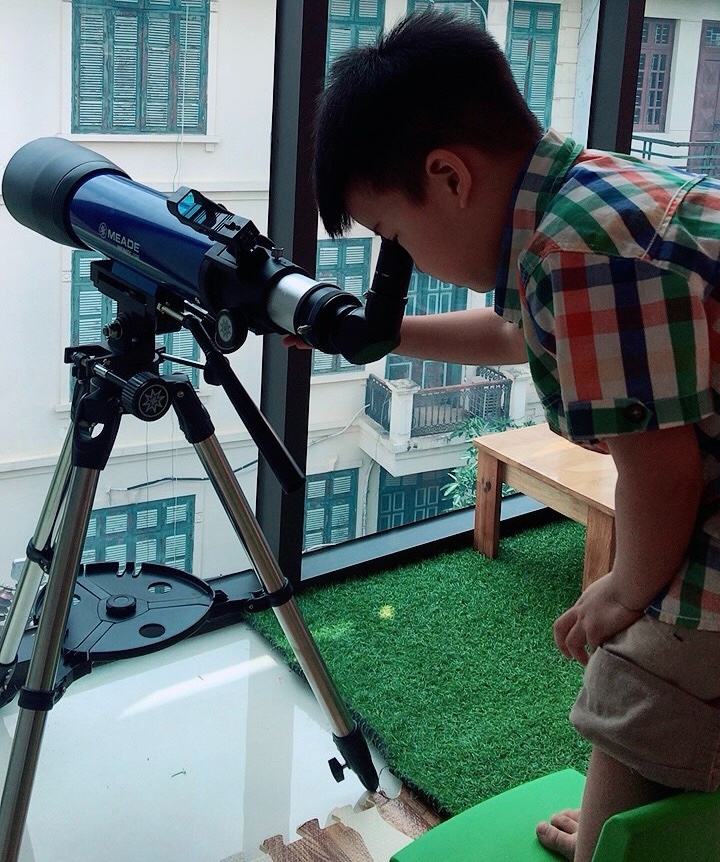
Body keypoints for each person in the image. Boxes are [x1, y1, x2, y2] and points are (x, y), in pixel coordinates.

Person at [284, 9, 720, 861]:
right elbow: (516, 332)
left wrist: (622, 591)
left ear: (449, 176)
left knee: (638, 677)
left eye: (393, 238)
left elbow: (664, 479)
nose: (402, 261)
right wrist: (383, 336)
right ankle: (639, 823)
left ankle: (619, 841)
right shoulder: (585, 200)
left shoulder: (581, 258)